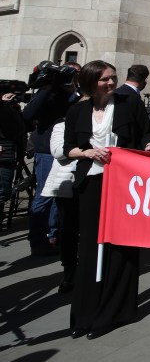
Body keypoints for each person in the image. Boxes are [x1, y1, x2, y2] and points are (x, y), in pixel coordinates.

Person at [63, 60, 150, 339]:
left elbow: (144, 135)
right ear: (91, 82)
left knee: (122, 246)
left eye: (113, 77)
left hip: (125, 183)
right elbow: (69, 149)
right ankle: (86, 313)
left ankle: (117, 311)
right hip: (91, 182)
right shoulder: (77, 110)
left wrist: (149, 146)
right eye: (105, 79)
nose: (111, 83)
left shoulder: (130, 103)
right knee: (90, 246)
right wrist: (88, 153)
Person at [23, 61, 80, 256]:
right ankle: (37, 240)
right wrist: (47, 87)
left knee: (60, 196)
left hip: (66, 149)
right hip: (47, 150)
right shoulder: (47, 94)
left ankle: (53, 235)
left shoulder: (69, 96)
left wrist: (73, 89)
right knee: (45, 195)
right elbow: (28, 114)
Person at [45, 121, 79, 293]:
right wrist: (86, 150)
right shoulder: (61, 126)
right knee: (68, 230)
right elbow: (58, 151)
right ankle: (69, 273)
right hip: (67, 185)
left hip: (92, 183)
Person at [115, 64, 150, 151]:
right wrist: (148, 142)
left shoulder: (114, 94)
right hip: (129, 149)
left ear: (127, 76)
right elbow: (141, 128)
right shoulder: (135, 99)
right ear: (144, 80)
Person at [0, 92, 27, 211]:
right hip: (4, 155)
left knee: (4, 192)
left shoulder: (13, 111)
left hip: (9, 155)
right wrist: (5, 105)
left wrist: (16, 110)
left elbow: (25, 128)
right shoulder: (4, 109)